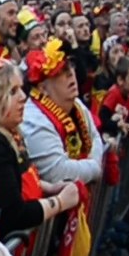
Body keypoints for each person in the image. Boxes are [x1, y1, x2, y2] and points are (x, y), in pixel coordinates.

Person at [0, 60, 81, 239]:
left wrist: (48, 187)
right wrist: (60, 202)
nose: (23, 97)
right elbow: (12, 215)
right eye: (12, 92)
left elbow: (11, 181)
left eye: (20, 88)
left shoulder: (5, 133)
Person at [21, 39, 106, 186]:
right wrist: (95, 167)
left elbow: (95, 137)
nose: (70, 73)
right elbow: (58, 173)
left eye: (70, 66)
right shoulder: (33, 120)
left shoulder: (76, 103)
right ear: (42, 88)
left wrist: (93, 163)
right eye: (60, 71)